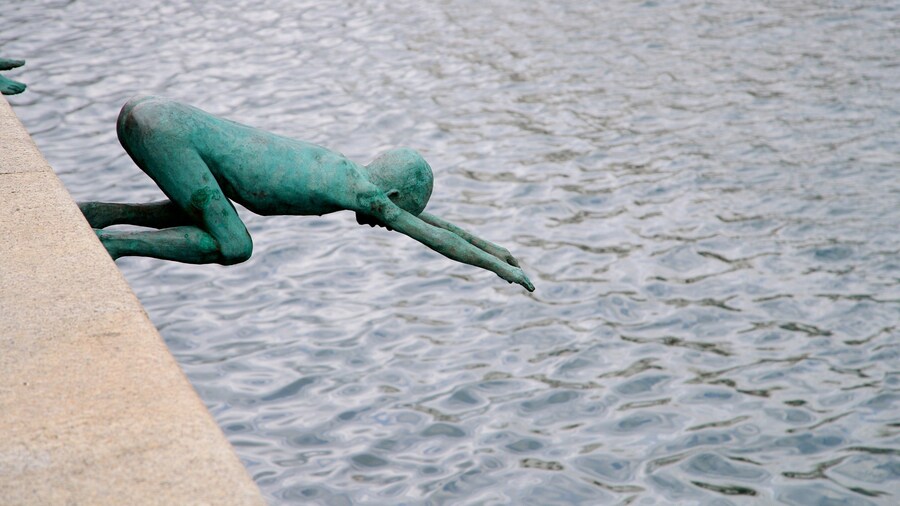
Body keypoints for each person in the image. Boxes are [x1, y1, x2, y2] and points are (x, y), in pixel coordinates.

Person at [80, 95, 535, 292]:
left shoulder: (346, 169)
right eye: (394, 212)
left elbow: (432, 224)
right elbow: (433, 237)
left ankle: (96, 215)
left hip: (154, 114)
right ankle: (114, 244)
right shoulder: (365, 193)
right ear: (391, 192)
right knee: (234, 244)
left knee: (209, 211)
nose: (384, 222)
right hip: (167, 131)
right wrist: (498, 269)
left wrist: (499, 249)